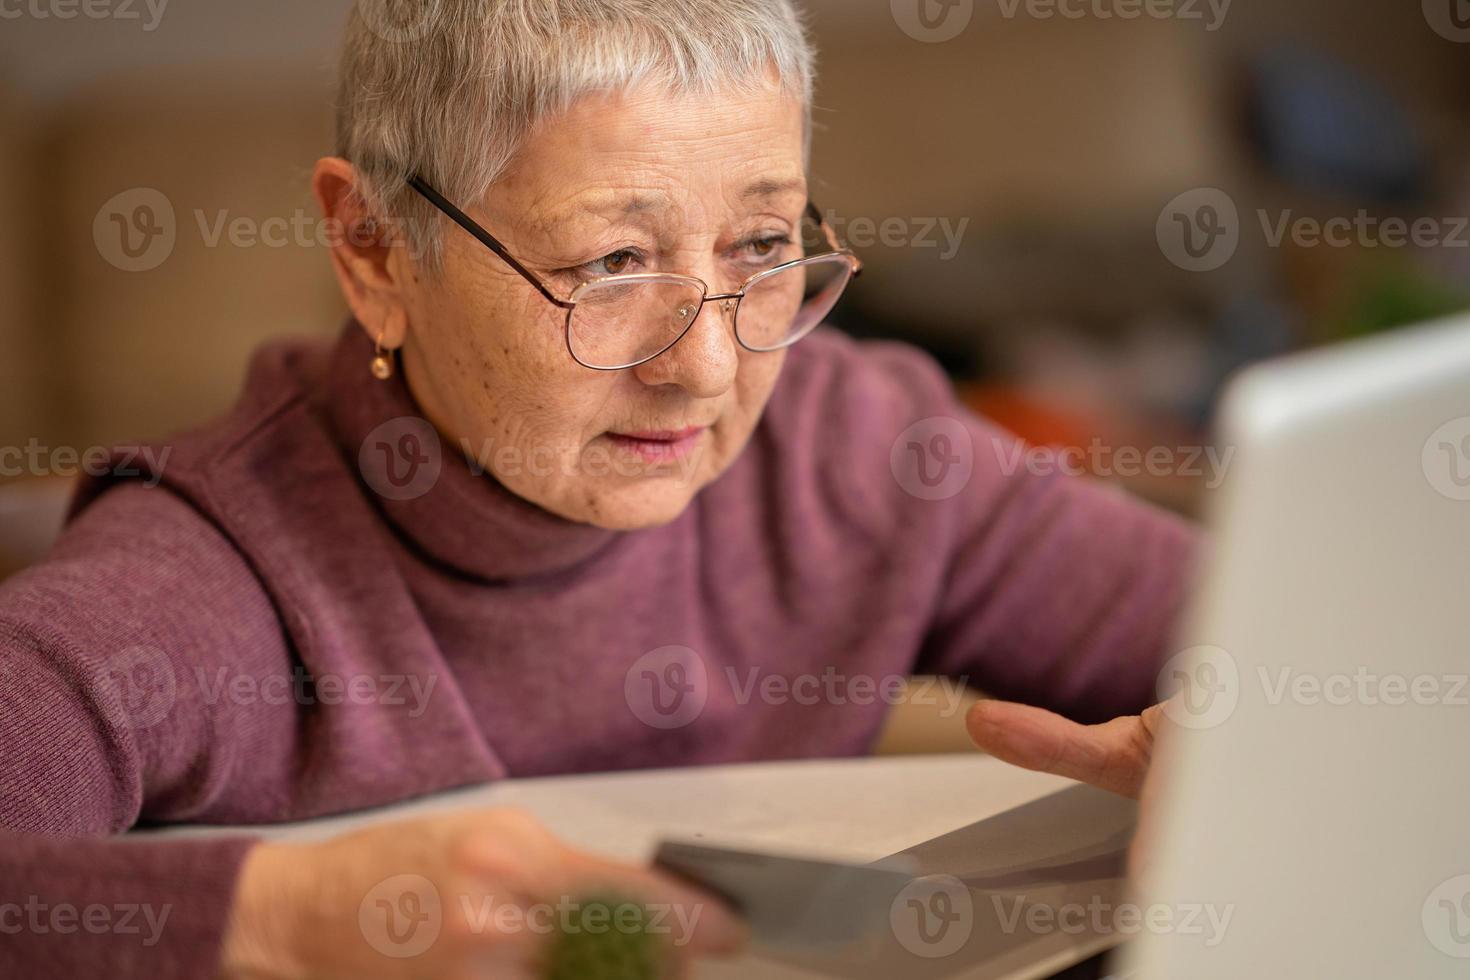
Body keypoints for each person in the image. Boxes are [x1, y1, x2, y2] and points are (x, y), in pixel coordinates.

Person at [0, 1, 1196, 975]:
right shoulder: (214, 573)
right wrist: (287, 913)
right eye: (611, 263)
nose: (709, 367)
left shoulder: (861, 448)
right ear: (375, 251)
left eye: (763, 247)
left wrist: (1244, 747)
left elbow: (1304, 639)